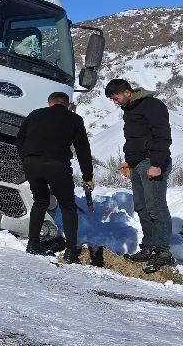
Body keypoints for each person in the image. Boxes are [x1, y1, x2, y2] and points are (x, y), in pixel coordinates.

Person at [16, 91, 94, 263]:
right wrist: (88, 176)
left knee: (40, 201)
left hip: (32, 164)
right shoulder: (74, 119)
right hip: (57, 166)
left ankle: (33, 244)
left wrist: (27, 159)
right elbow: (82, 149)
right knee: (68, 206)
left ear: (49, 103)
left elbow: (20, 139)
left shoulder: (35, 114)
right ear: (68, 106)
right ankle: (71, 253)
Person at [105, 79, 175, 270]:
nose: (115, 102)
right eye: (112, 99)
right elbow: (136, 138)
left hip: (151, 161)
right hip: (137, 163)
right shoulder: (131, 109)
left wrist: (157, 163)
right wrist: (129, 160)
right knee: (142, 207)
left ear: (127, 92)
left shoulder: (152, 105)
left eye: (116, 97)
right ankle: (150, 247)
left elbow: (162, 134)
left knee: (155, 206)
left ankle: (163, 252)